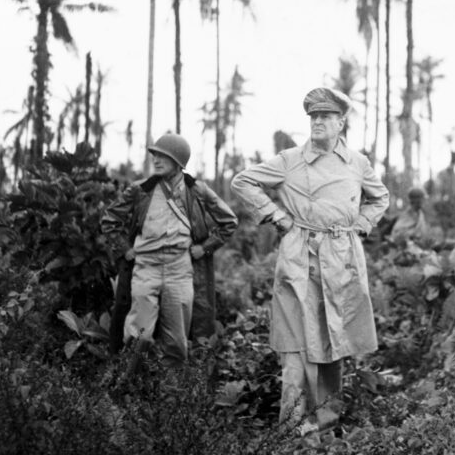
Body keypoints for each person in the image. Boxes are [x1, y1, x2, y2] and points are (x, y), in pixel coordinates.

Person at [231, 87, 389, 433]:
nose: (317, 122)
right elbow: (243, 181)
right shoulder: (290, 160)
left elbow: (380, 198)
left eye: (326, 117)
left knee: (334, 342)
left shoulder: (357, 163)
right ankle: (293, 427)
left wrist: (361, 225)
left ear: (341, 123)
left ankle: (327, 422)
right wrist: (278, 217)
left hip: (342, 259)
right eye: (314, 117)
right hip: (300, 258)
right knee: (296, 345)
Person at [102, 132, 238, 367]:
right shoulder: (139, 190)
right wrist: (125, 249)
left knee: (176, 342)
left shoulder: (197, 190)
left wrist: (204, 248)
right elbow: (109, 220)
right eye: (154, 155)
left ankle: (170, 396)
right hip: (146, 267)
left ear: (178, 162)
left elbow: (229, 222)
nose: (156, 160)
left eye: (163, 156)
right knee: (138, 337)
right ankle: (129, 390)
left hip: (180, 269)